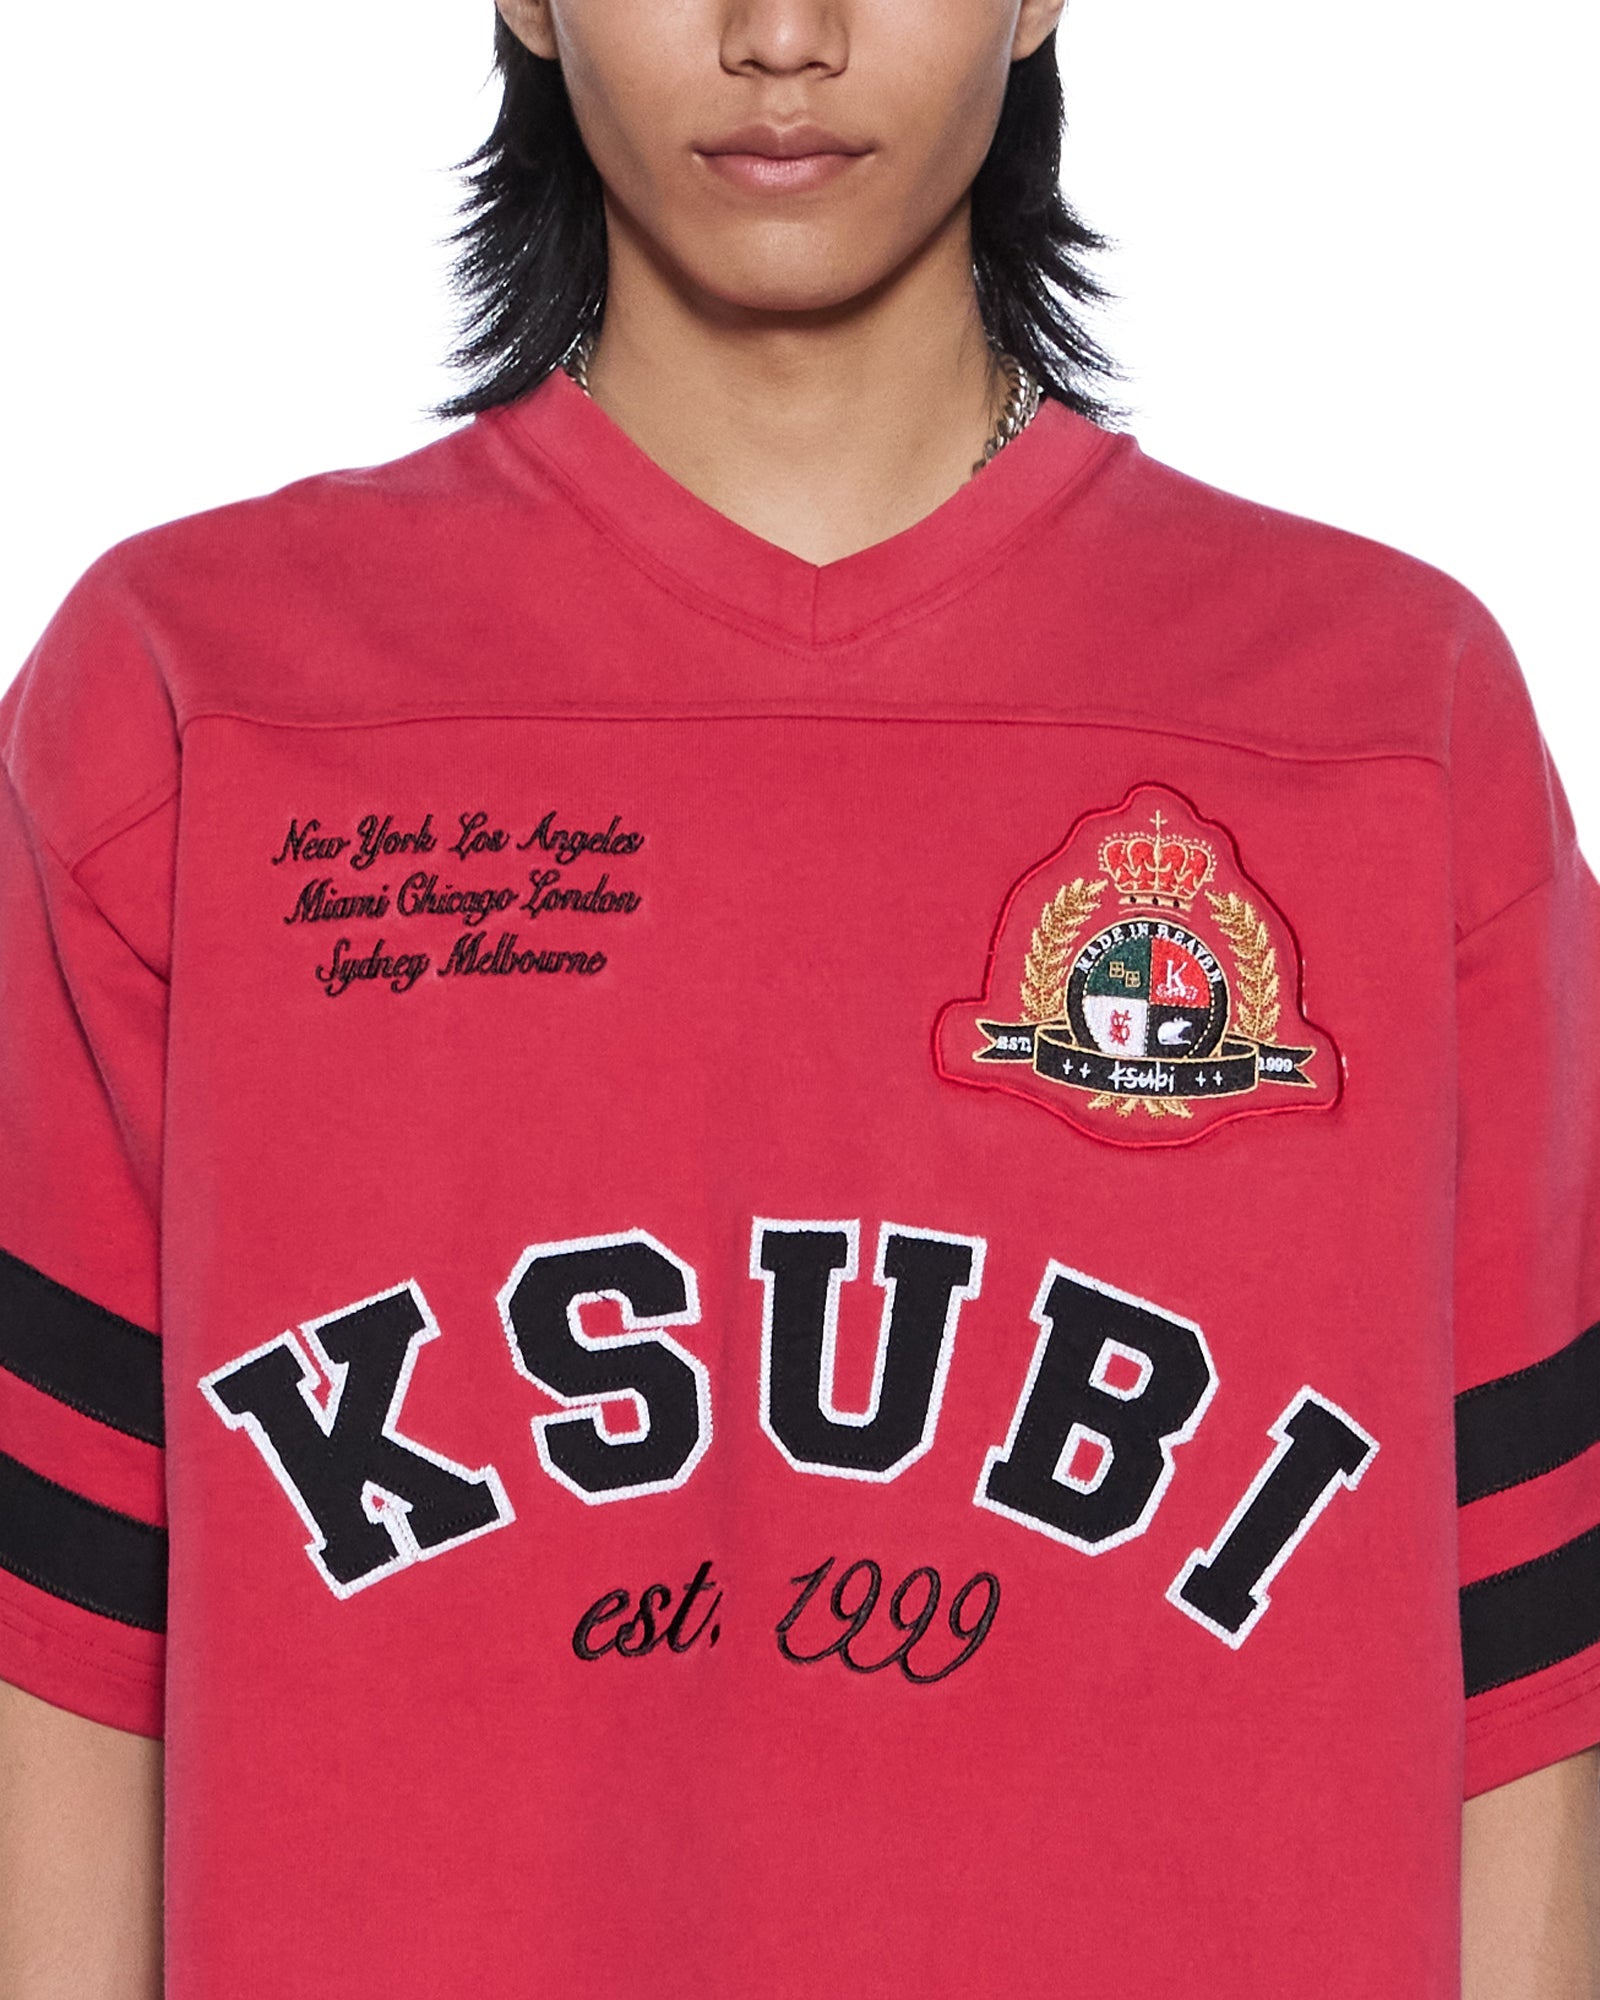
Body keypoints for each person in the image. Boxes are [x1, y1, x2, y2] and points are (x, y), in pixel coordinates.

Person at [2, 2, 1597, 1994]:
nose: (782, 36)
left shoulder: (1383, 725)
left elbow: (1535, 1688)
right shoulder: (196, 703)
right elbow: (61, 1661)